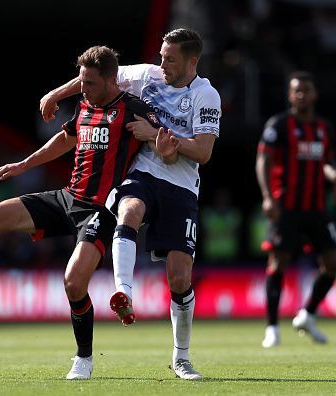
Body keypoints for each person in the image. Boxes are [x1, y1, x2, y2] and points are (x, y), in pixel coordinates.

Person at [0, 46, 171, 380]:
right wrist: (23, 164)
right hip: (67, 198)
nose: (83, 89)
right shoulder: (85, 104)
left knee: (73, 282)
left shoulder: (133, 109)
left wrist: (158, 140)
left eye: (91, 83)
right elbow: (64, 141)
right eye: (81, 82)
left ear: (112, 81)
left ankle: (84, 358)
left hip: (101, 209)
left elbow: (165, 144)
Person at [41, 28, 221, 380]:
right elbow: (93, 76)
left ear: (192, 61)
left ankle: (181, 358)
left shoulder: (206, 95)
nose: (162, 63)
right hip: (143, 173)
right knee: (130, 209)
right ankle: (123, 291)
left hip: (182, 187)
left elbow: (203, 151)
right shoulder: (146, 75)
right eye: (161, 55)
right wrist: (55, 94)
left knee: (179, 276)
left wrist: (157, 137)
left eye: (170, 59)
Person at [255, 71, 336, 348]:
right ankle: (272, 328)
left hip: (317, 208)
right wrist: (268, 197)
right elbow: (263, 161)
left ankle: (307, 314)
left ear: (315, 94)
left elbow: (326, 162)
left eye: (306, 90)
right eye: (297, 90)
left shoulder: (323, 128)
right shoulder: (280, 125)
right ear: (290, 95)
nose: (302, 95)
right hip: (287, 207)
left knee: (332, 264)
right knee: (278, 263)